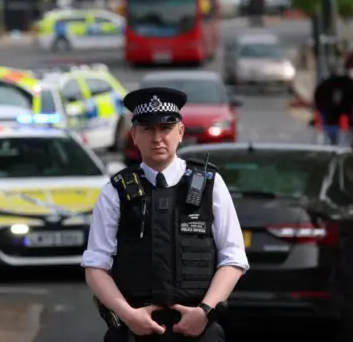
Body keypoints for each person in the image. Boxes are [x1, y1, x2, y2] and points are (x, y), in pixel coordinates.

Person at [82, 87, 249, 342]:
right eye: (148, 129)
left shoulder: (210, 183)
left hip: (199, 329)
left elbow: (234, 256)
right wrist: (128, 316)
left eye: (165, 128)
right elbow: (95, 265)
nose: (157, 138)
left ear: (180, 132)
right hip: (133, 331)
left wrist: (204, 312)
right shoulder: (115, 191)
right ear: (134, 135)